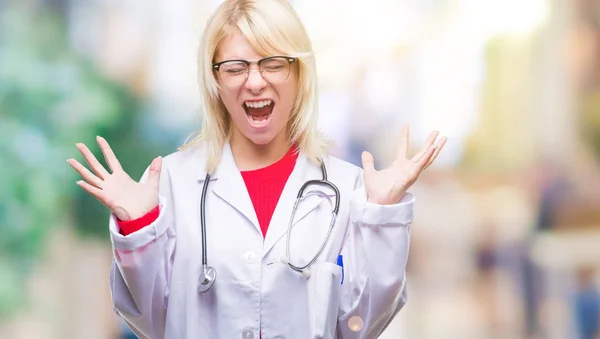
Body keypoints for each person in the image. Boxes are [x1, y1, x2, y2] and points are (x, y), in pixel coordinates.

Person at [67, 0, 446, 338]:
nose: (254, 81)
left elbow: (361, 324)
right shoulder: (172, 182)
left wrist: (380, 219)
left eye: (273, 64)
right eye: (235, 68)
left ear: (299, 74)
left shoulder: (346, 188)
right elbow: (151, 320)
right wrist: (139, 225)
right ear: (215, 80)